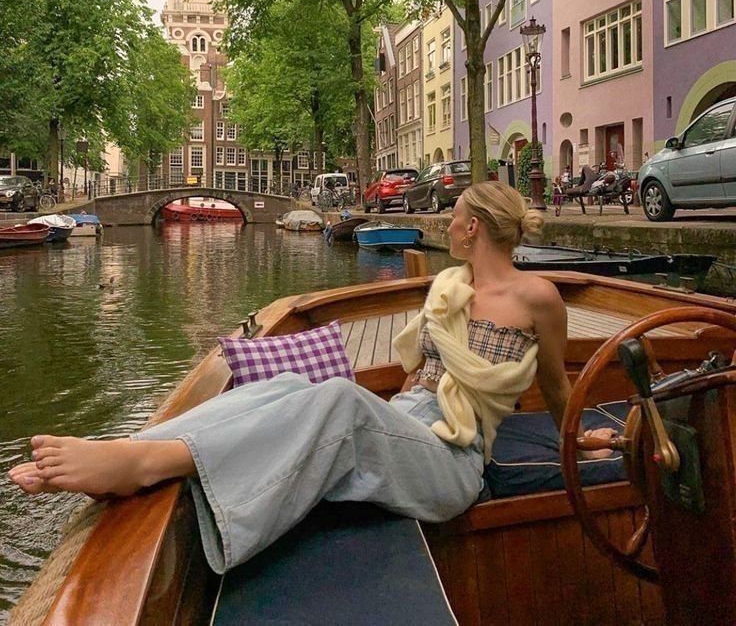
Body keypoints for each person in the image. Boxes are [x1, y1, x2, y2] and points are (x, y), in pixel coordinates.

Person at [8, 181, 612, 575]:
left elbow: (558, 386)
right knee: (291, 388)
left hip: (454, 459)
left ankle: (146, 466)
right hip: (407, 419)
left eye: (453, 218)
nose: (447, 226)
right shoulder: (449, 285)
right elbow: (418, 378)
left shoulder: (538, 297)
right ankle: (134, 448)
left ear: (472, 229)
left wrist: (579, 438)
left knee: (340, 401)